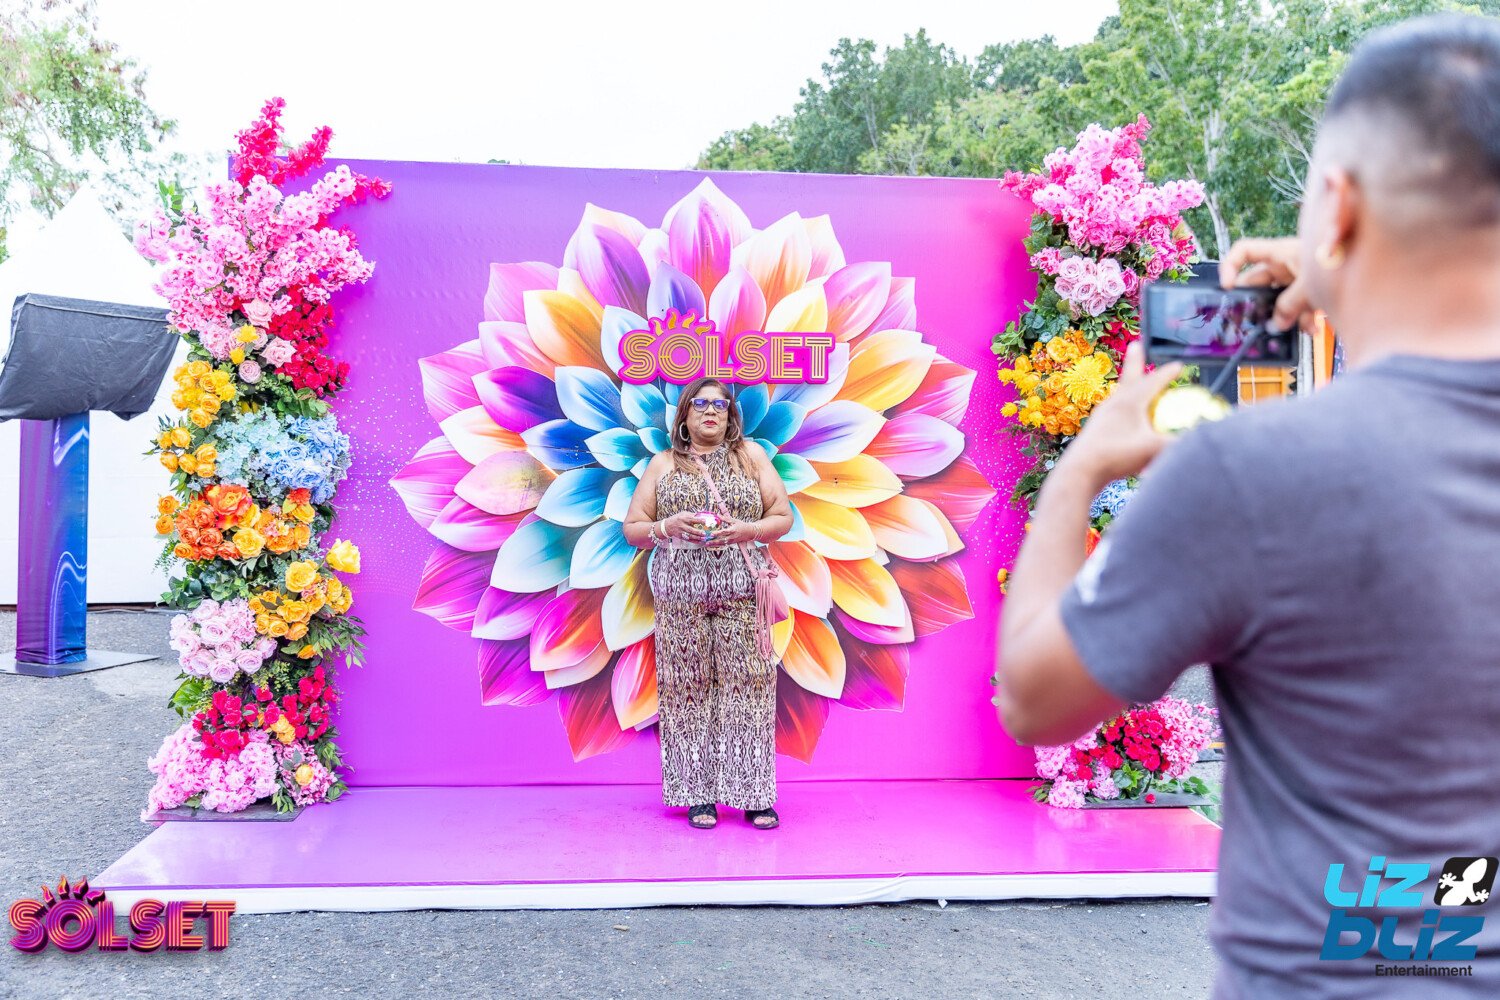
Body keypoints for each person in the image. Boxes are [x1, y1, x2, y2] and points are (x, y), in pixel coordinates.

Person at [993, 14, 1500, 999]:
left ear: (1338, 205)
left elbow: (1035, 698)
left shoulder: (1248, 475)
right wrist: (1356, 284)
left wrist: (1080, 471)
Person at [622, 377, 793, 830]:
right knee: (685, 691)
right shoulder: (663, 464)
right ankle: (697, 795)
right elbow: (633, 528)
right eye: (700, 404)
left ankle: (754, 795)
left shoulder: (752, 457)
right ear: (684, 415)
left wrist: (749, 530)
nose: (711, 411)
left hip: (742, 593)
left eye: (720, 404)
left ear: (731, 415)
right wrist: (666, 526)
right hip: (680, 596)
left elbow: (783, 516)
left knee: (751, 688)